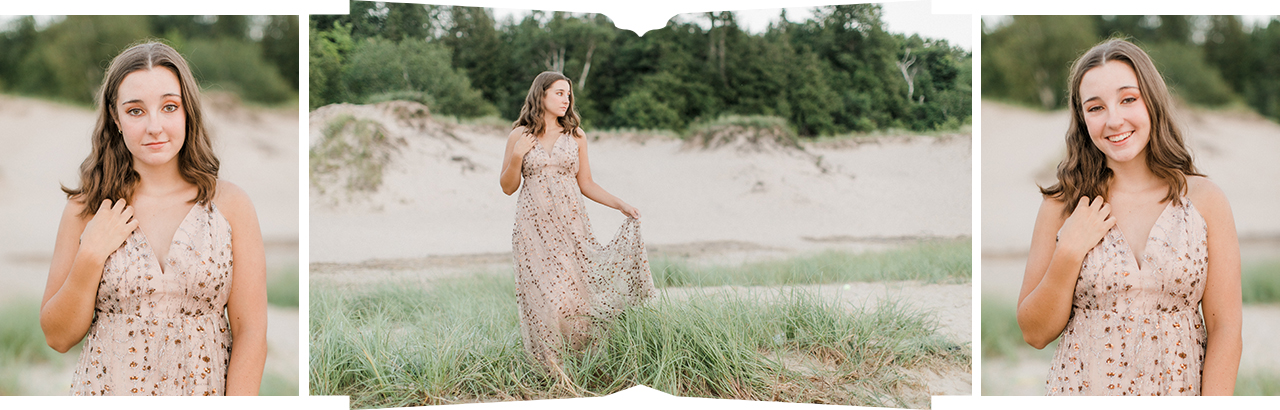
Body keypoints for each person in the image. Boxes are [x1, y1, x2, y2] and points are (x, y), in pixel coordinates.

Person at [39, 42, 267, 396]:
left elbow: (251, 331)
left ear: (187, 111)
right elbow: (57, 337)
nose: (155, 126)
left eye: (169, 107)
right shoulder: (86, 208)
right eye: (135, 111)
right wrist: (91, 254)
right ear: (115, 119)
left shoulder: (231, 205)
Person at [1016, 39, 1241, 395]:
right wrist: (1069, 251)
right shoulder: (1063, 204)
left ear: (1151, 100)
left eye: (1128, 99)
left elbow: (1226, 328)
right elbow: (1034, 333)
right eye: (1095, 108)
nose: (1114, 120)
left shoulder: (1205, 200)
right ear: (1082, 118)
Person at [498, 71, 655, 373]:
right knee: (543, 299)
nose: (566, 99)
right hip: (532, 228)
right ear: (541, 95)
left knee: (572, 299)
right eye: (559, 93)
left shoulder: (576, 136)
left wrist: (621, 204)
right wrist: (517, 156)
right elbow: (507, 187)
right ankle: (550, 368)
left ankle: (580, 363)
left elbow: (586, 183)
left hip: (571, 227)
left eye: (568, 94)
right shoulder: (519, 135)